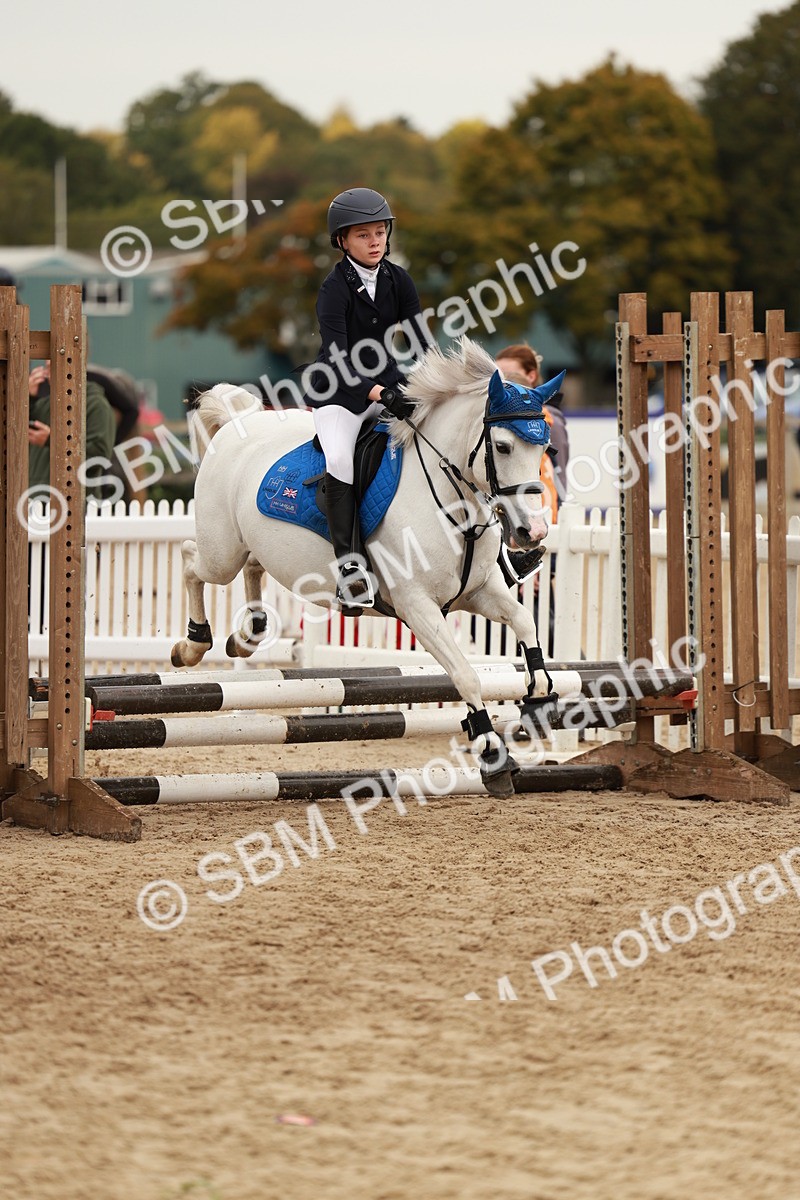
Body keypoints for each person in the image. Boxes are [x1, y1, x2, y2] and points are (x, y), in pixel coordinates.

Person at [304, 187, 432, 609]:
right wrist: (379, 392)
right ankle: (350, 568)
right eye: (363, 235)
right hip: (339, 393)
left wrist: (433, 384)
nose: (375, 241)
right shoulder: (333, 289)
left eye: (380, 232)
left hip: (389, 386)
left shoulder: (399, 280)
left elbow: (420, 342)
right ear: (342, 241)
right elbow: (339, 357)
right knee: (339, 458)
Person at [495, 343, 570, 506]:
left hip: (542, 508)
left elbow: (560, 471)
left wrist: (557, 506)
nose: (503, 381)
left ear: (531, 376)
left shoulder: (550, 420)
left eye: (507, 374)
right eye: (498, 375)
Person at [29, 362, 116, 500]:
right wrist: (28, 398)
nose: (47, 373)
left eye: (55, 366)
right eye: (48, 367)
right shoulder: (45, 404)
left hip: (76, 504)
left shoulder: (97, 405)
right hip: (36, 504)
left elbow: (98, 457)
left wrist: (52, 440)